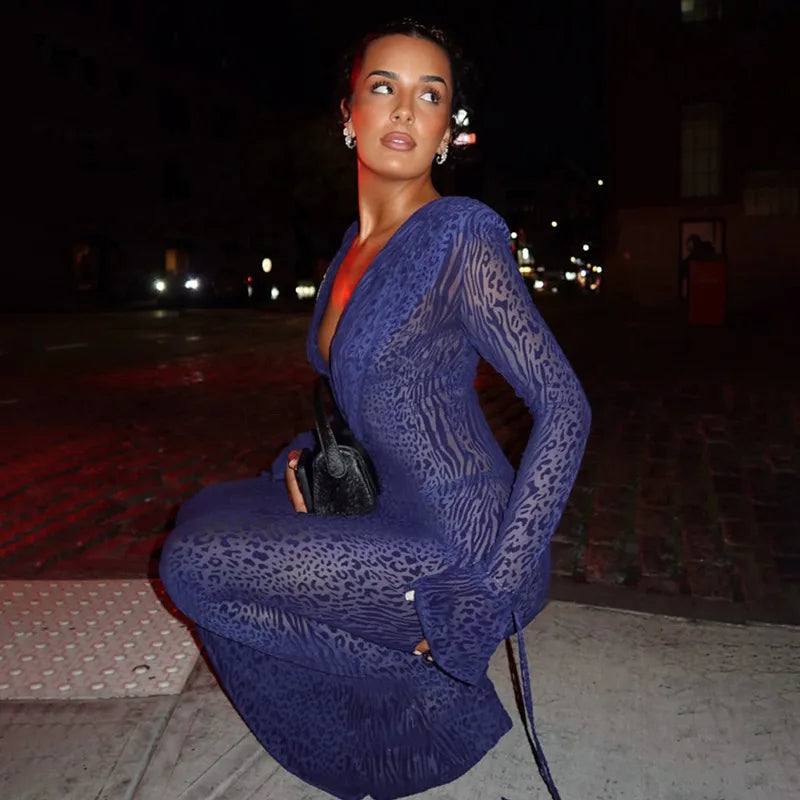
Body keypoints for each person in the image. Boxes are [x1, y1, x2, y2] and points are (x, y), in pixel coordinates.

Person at [159, 19, 591, 800]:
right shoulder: (349, 252)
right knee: (204, 510)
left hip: (463, 544)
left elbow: (565, 407)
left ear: (447, 132)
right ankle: (404, 673)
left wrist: (489, 593)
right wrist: (304, 460)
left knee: (193, 567)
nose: (403, 110)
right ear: (348, 113)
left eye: (430, 96)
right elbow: (356, 399)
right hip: (385, 505)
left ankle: (433, 684)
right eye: (383, 87)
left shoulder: (460, 235)